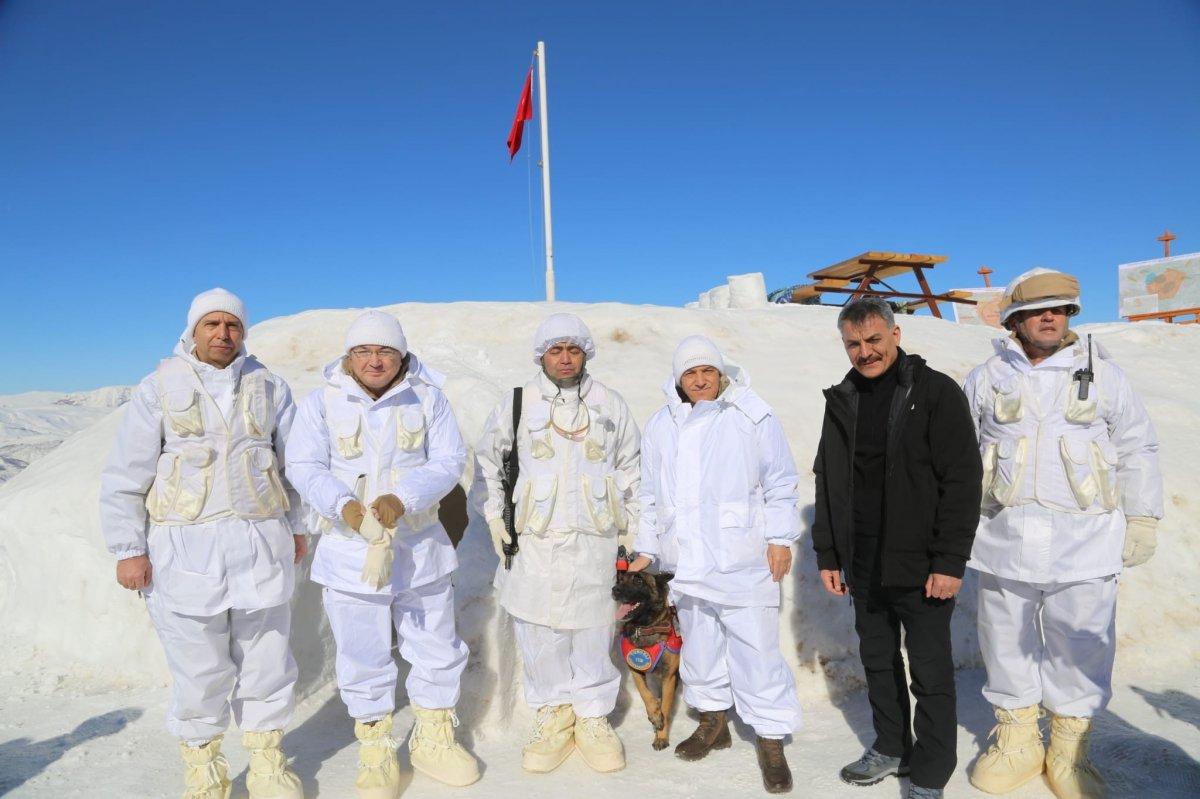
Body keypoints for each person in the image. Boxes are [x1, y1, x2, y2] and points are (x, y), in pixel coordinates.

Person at [963, 269, 1163, 799]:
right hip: (1003, 534)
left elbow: (1137, 446)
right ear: (1015, 319)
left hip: (1085, 537)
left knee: (1082, 642)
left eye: (1061, 308)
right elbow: (960, 455)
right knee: (1005, 638)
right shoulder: (986, 377)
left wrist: (1143, 516)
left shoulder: (1105, 376)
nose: (1051, 317)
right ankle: (1017, 741)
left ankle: (1070, 749)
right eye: (1038, 309)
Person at [100, 287, 305, 799]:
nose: (222, 334)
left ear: (244, 332)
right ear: (193, 331)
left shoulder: (269, 386)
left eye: (232, 325)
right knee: (199, 664)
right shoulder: (158, 387)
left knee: (268, 658)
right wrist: (129, 550)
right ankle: (204, 765)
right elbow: (127, 473)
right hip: (185, 548)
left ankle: (266, 761)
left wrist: (300, 528)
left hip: (260, 542)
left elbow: (294, 465)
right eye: (211, 325)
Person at [285, 310, 480, 797]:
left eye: (385, 351)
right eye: (365, 351)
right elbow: (303, 463)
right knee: (363, 652)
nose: (375, 360)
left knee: (435, 643)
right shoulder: (322, 403)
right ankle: (375, 747)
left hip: (420, 548)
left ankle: (433, 737)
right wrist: (343, 505)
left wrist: (405, 497)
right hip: (352, 553)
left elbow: (448, 459)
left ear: (401, 356)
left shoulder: (427, 397)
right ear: (349, 357)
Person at [812, 297, 982, 799]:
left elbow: (961, 479)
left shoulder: (935, 392)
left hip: (921, 564)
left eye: (873, 340)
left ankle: (929, 774)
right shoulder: (844, 398)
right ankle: (891, 746)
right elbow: (829, 480)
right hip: (864, 562)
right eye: (854, 344)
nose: (864, 352)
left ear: (896, 335)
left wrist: (950, 561)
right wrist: (829, 553)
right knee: (878, 661)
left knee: (930, 674)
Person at [627, 335, 803, 794]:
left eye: (707, 371)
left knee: (757, 651)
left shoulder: (750, 414)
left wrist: (780, 537)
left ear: (721, 373)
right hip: (686, 559)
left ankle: (769, 738)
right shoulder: (661, 424)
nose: (700, 380)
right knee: (701, 645)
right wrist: (648, 546)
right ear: (678, 379)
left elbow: (781, 481)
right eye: (690, 373)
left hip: (741, 556)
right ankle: (713, 720)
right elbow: (650, 494)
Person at [474, 312, 640, 774]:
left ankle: (591, 715)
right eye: (555, 350)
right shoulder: (518, 403)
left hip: (595, 538)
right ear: (541, 355)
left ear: (585, 352)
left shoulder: (611, 403)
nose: (564, 358)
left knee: (592, 626)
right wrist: (494, 515)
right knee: (540, 627)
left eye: (573, 349)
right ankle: (552, 711)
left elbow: (632, 470)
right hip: (536, 540)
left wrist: (639, 531)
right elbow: (488, 463)